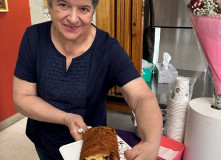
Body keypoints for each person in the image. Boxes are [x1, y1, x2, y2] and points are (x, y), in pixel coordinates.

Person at [13, 0, 163, 159]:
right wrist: (66, 118)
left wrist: (152, 142)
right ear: (49, 6)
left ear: (93, 11)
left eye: (84, 9)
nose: (72, 18)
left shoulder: (107, 49)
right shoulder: (34, 38)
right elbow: (22, 97)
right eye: (63, 5)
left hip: (94, 145)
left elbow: (141, 97)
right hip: (45, 142)